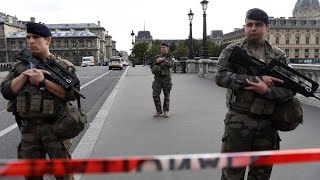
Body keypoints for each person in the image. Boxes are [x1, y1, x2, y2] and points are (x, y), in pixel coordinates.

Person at [215, 8, 296, 180]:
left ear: (267, 27)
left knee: (261, 175)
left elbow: (291, 89)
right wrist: (255, 79)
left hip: (268, 123)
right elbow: (220, 77)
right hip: (239, 119)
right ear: (244, 27)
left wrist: (267, 91)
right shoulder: (232, 50)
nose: (253, 28)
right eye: (249, 24)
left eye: (258, 25)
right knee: (232, 174)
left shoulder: (279, 55)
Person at [0, 22, 79, 180]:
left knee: (63, 175)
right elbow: (6, 91)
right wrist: (24, 76)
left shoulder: (62, 67)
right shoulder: (19, 68)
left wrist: (43, 82)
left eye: (36, 37)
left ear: (48, 40)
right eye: (28, 37)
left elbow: (72, 94)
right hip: (28, 129)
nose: (30, 41)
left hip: (56, 128)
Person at [150, 42, 174, 118]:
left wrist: (163, 60)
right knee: (155, 95)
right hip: (157, 78)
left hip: (166, 78)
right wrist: (156, 61)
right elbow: (151, 65)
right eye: (161, 47)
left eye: (164, 47)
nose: (162, 49)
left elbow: (171, 64)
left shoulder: (171, 57)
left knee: (167, 95)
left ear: (167, 48)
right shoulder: (157, 56)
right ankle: (158, 110)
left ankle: (166, 111)